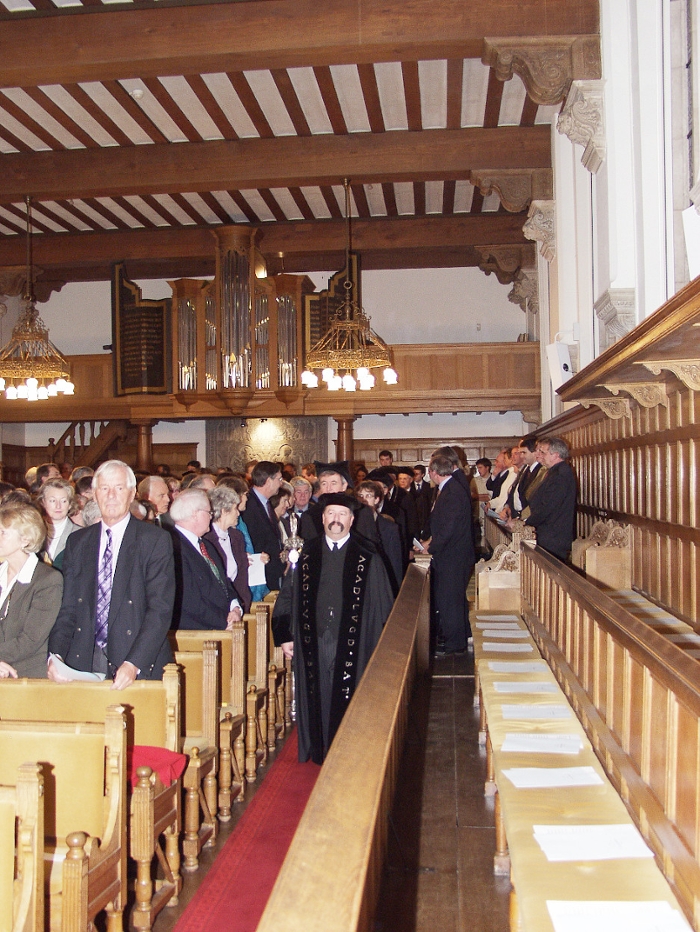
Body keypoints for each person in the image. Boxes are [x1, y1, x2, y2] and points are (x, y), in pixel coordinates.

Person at [272, 493, 394, 764]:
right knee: (319, 694)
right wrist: (284, 636)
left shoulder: (368, 555)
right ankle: (319, 750)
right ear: (323, 518)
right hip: (312, 638)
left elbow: (383, 607)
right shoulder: (306, 554)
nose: (335, 519)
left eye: (342, 515)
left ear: (351, 520)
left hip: (353, 640)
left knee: (348, 692)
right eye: (331, 514)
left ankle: (348, 752)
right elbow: (288, 596)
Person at [48, 460, 176, 688]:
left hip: (137, 660)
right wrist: (55, 655)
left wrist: (133, 663)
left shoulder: (154, 540)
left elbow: (160, 609)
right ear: (95, 495)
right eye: (104, 488)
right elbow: (67, 608)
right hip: (85, 659)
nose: (111, 496)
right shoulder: (78, 542)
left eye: (119, 488)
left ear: (132, 493)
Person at [0, 502, 63, 678]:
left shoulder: (47, 580)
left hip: (24, 676)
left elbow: (30, 640)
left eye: (3, 533)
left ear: (25, 539)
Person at [423, 452, 475, 654]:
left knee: (450, 599)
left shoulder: (452, 491)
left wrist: (432, 547)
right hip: (452, 553)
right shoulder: (450, 488)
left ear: (433, 472)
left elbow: (449, 527)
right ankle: (459, 635)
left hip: (453, 555)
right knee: (452, 597)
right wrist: (430, 541)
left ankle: (455, 643)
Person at [169, 489, 242, 631]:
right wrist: (224, 622)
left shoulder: (206, 545)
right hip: (198, 631)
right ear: (196, 514)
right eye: (209, 513)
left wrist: (235, 608)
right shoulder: (173, 547)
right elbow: (188, 599)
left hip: (222, 625)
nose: (211, 517)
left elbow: (223, 582)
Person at [513, 437, 577, 561]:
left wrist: (525, 522)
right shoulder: (554, 472)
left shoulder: (561, 475)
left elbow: (547, 507)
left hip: (553, 536)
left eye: (543, 452)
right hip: (547, 534)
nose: (540, 455)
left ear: (555, 455)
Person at [203, 485, 252, 613]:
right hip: (216, 610)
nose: (238, 513)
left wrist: (243, 604)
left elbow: (241, 575)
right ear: (224, 511)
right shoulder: (206, 538)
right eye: (235, 508)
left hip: (238, 607)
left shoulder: (236, 536)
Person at [244, 461, 285, 592]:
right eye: (279, 479)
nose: (281, 483)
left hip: (271, 571)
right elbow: (252, 541)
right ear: (268, 481)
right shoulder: (249, 505)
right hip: (260, 575)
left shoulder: (265, 503)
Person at [37, 477, 80, 571]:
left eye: (63, 501)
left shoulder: (80, 535)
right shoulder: (34, 531)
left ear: (70, 504)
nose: (58, 506)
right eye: (52, 500)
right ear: (43, 502)